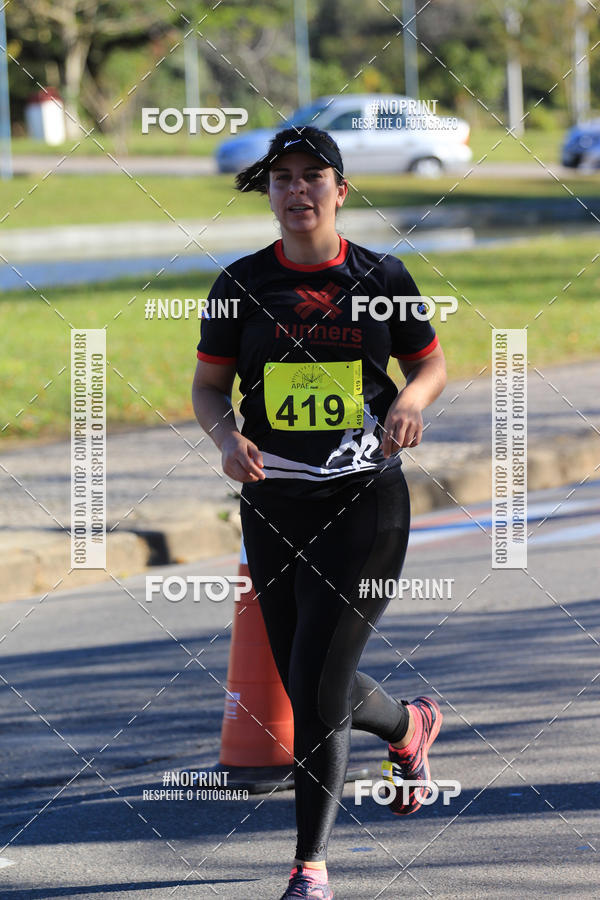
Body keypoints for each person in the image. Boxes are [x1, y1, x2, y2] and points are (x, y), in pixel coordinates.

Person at [192, 125, 447, 900]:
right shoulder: (239, 284)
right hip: (273, 501)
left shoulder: (381, 274)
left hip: (365, 500)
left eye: (313, 176)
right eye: (282, 179)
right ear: (268, 193)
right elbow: (208, 390)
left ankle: (311, 866)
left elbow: (430, 361)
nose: (297, 191)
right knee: (311, 683)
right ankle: (408, 726)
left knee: (314, 687)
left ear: (341, 189)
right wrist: (226, 438)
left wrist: (409, 401)